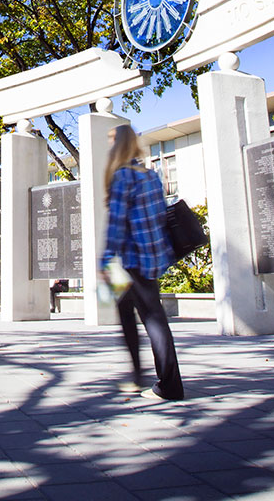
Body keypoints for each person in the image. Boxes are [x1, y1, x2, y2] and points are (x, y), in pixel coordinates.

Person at [101, 123, 184, 402]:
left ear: (119, 145)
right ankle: (136, 377)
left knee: (153, 319)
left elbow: (116, 223)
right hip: (150, 258)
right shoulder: (151, 176)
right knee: (127, 316)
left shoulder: (123, 176)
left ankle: (170, 385)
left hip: (129, 261)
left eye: (112, 141)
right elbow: (160, 216)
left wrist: (105, 259)